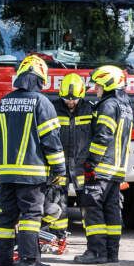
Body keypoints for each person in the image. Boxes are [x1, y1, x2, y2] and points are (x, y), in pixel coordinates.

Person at [0, 55, 66, 266]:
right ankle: (29, 261)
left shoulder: (4, 102)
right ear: (41, 79)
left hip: (6, 172)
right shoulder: (42, 103)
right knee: (31, 216)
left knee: (6, 215)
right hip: (32, 173)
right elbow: (51, 140)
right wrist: (59, 169)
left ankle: (1, 261)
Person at [73, 65, 134, 265]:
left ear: (108, 84)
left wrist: (91, 162)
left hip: (101, 169)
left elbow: (103, 136)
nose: (96, 89)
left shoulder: (108, 106)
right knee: (112, 211)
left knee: (92, 209)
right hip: (116, 170)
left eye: (98, 85)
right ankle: (112, 253)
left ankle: (96, 252)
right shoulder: (125, 106)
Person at [47, 73, 94, 245]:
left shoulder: (90, 110)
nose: (71, 102)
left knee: (88, 203)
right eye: (67, 99)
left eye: (74, 99)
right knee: (58, 201)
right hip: (59, 165)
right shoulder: (52, 110)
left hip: (82, 166)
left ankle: (93, 239)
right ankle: (58, 238)